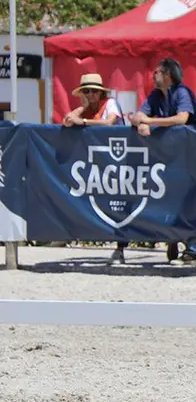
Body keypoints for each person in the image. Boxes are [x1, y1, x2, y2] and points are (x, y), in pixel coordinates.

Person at [129, 57, 196, 263]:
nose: (154, 76)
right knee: (169, 200)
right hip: (165, 159)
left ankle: (192, 247)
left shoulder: (182, 92)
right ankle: (172, 240)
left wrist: (149, 121)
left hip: (188, 157)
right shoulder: (154, 95)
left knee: (189, 202)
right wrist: (139, 123)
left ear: (167, 74)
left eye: (157, 72)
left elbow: (182, 118)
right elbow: (137, 115)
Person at [62, 73, 127, 264]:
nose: (91, 95)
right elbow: (67, 119)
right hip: (100, 167)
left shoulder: (111, 104)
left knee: (121, 208)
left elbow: (109, 123)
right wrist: (80, 111)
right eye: (86, 91)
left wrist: (82, 122)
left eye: (94, 91)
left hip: (122, 164)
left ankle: (121, 249)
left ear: (101, 92)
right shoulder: (87, 109)